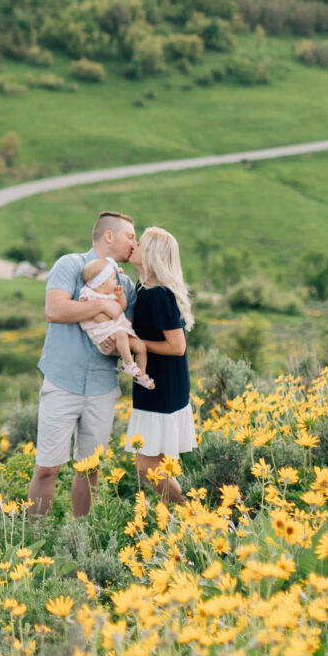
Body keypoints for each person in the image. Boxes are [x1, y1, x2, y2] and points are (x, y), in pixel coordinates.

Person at [28, 212, 137, 518]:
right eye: (130, 236)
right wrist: (102, 305)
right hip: (63, 382)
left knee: (89, 470)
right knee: (47, 468)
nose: (135, 242)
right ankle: (34, 538)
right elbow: (55, 309)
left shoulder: (126, 286)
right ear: (109, 236)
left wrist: (118, 345)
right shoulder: (70, 265)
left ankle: (80, 537)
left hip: (103, 386)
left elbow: (129, 331)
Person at [124, 226, 198, 505]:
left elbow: (177, 347)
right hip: (154, 383)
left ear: (151, 253)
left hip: (162, 386)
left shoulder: (158, 294)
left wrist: (138, 345)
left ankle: (197, 513)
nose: (134, 245)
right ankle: (180, 522)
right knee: (158, 464)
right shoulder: (143, 288)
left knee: (146, 466)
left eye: (140, 243)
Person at [78, 257, 152, 388]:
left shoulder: (110, 293)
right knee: (121, 335)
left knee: (141, 346)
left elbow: (122, 307)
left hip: (118, 331)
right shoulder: (89, 296)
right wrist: (111, 313)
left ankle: (141, 375)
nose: (116, 281)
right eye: (113, 278)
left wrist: (120, 296)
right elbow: (97, 318)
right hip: (104, 335)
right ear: (102, 283)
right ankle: (129, 365)